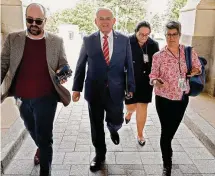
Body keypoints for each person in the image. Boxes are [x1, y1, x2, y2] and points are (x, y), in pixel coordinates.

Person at [1, 3, 71, 176]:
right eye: (29, 20)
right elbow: (3, 64)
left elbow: (63, 64)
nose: (33, 24)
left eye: (38, 21)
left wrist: (64, 72)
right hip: (21, 97)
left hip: (46, 97)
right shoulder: (13, 39)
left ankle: (45, 170)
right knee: (31, 127)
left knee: (45, 136)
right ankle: (40, 147)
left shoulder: (56, 41)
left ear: (45, 21)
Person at [72, 7, 135, 172]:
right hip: (94, 91)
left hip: (116, 89)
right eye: (101, 18)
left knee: (116, 118)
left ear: (114, 21)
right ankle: (100, 155)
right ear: (96, 21)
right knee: (96, 124)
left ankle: (113, 128)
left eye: (108, 18)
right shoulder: (88, 40)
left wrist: (131, 87)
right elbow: (80, 65)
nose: (105, 21)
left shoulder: (124, 39)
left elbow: (129, 65)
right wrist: (76, 89)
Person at [149, 21, 201, 176]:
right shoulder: (158, 56)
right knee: (165, 132)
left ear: (179, 35)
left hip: (181, 98)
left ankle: (167, 147)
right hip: (163, 98)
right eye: (168, 34)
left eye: (174, 34)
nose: (171, 38)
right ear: (165, 35)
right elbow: (152, 75)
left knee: (171, 131)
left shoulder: (189, 52)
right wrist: (155, 81)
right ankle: (167, 163)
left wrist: (195, 70)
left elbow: (198, 67)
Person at [124, 21, 159, 146]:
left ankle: (140, 134)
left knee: (142, 107)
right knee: (131, 106)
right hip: (130, 80)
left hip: (145, 81)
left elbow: (157, 63)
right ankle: (129, 113)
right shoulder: (127, 41)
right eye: (141, 34)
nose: (144, 37)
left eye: (147, 34)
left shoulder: (153, 44)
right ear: (136, 32)